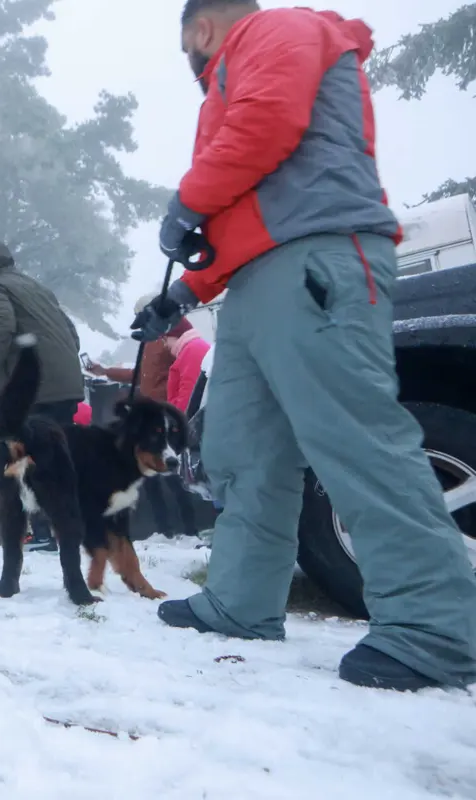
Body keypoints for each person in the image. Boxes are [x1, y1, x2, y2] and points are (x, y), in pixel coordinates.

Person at [132, 0, 476, 691]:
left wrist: (186, 203)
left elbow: (265, 124)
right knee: (242, 450)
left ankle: (435, 625)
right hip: (256, 283)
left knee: (353, 435)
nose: (194, 70)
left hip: (316, 260)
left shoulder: (277, 30)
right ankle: (241, 601)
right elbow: (250, 216)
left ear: (201, 29)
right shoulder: (247, 60)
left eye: (189, 52)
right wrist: (183, 295)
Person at [0, 242, 84, 552]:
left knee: (27, 456)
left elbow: (1, 326)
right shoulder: (33, 287)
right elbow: (72, 333)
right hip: (66, 383)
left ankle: (42, 534)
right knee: (58, 458)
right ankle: (66, 529)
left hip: (36, 386)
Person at [88, 295, 198, 538]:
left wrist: (177, 406)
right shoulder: (149, 341)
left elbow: (186, 368)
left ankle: (190, 529)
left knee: (175, 476)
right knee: (149, 476)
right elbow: (139, 374)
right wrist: (105, 371)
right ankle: (163, 530)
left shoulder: (174, 336)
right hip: (150, 418)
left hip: (169, 415)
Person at [161, 318, 210, 413]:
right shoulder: (192, 348)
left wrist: (178, 418)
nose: (165, 345)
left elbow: (189, 395)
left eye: (165, 339)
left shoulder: (191, 350)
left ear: (176, 334)